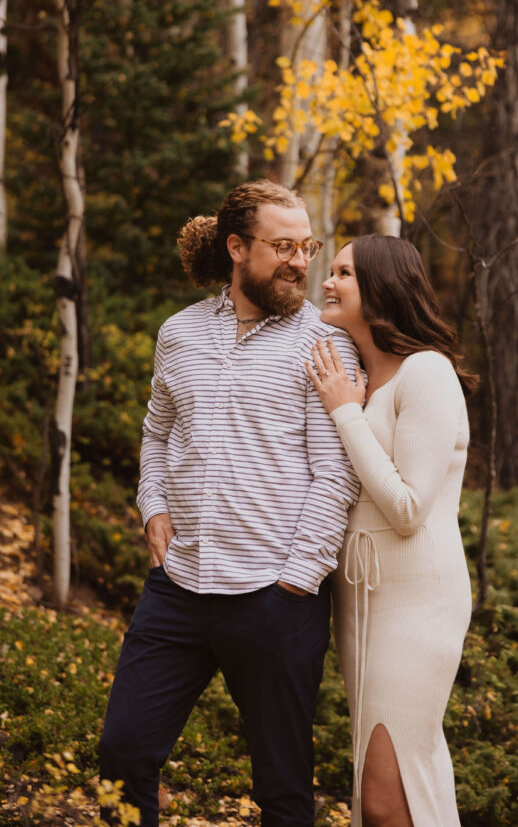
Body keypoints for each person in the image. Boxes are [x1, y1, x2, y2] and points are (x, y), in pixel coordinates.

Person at [99, 180, 360, 827]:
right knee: (123, 752)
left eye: (308, 246)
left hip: (275, 600)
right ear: (237, 248)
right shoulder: (179, 333)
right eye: (283, 246)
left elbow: (336, 474)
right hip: (178, 589)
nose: (302, 261)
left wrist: (296, 581)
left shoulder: (323, 345)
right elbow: (157, 431)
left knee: (282, 789)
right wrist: (152, 503)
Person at [305, 234, 476, 827]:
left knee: (385, 793)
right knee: (396, 787)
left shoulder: (426, 372)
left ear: (380, 288)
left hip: (418, 605)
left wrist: (344, 413)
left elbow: (407, 507)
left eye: (343, 273)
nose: (327, 282)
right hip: (360, 603)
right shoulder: (362, 379)